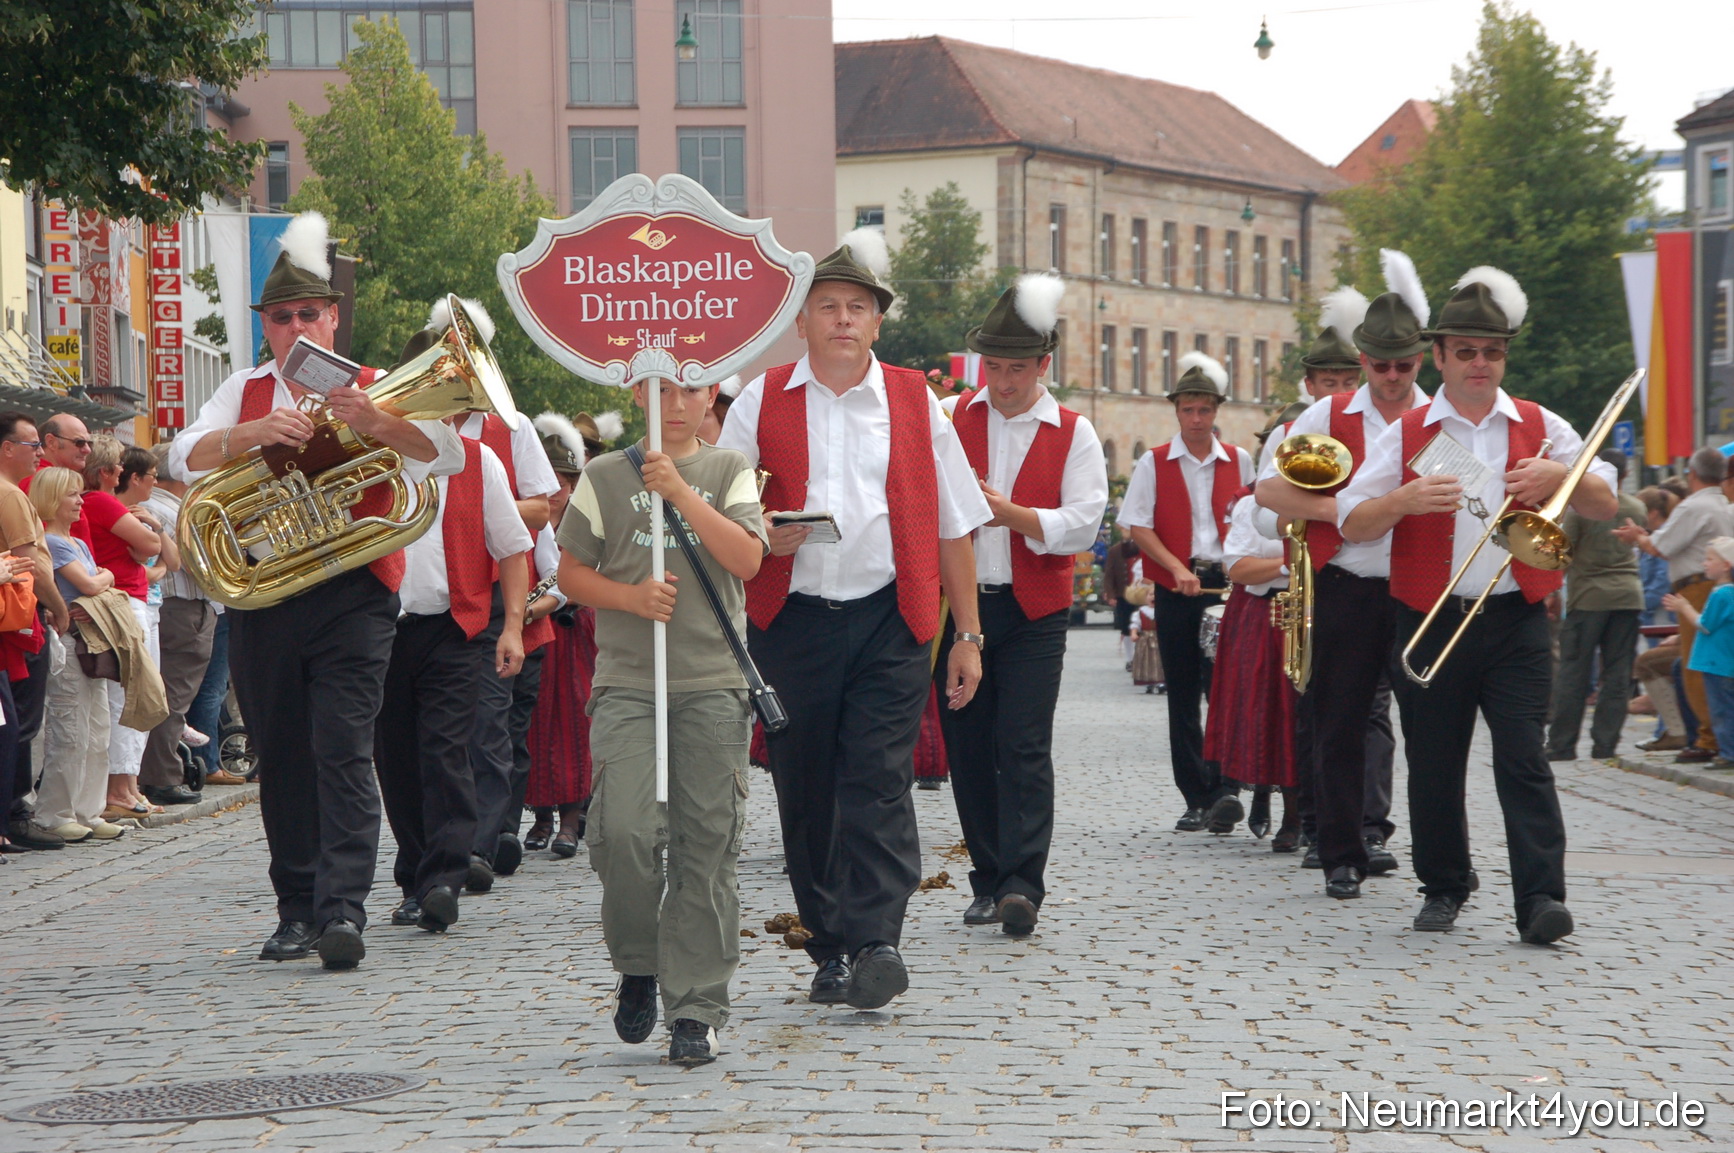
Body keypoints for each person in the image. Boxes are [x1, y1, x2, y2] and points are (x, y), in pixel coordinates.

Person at [168, 211, 466, 971]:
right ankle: (295, 909)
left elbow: (447, 456)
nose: (296, 324)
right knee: (285, 756)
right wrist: (249, 433)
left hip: (353, 594)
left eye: (309, 312)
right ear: (265, 325)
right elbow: (181, 454)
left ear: (333, 317)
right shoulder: (244, 388)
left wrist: (375, 420)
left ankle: (343, 909)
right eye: (281, 316)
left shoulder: (371, 384)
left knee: (341, 750)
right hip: (265, 593)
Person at [716, 231, 990, 1011]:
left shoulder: (915, 401)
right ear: (800, 323)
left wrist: (965, 634)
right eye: (827, 307)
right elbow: (725, 515)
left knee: (877, 777)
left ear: (877, 323)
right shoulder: (762, 400)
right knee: (806, 788)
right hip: (790, 618)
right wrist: (764, 532)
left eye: (857, 308)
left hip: (890, 617)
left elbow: (953, 523)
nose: (842, 319)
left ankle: (877, 940)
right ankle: (828, 946)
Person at [1339, 266, 1618, 943]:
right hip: (1431, 616)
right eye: (1465, 351)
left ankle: (1541, 898)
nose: (1479, 363)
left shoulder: (1540, 424)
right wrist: (1402, 500)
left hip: (1516, 612)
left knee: (1525, 756)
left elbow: (1606, 500)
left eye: (1491, 351)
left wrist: (1563, 476)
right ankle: (1443, 883)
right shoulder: (1406, 432)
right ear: (1438, 357)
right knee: (1435, 758)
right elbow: (1351, 520)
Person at [557, 373, 766, 1068]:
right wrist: (630, 596)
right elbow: (568, 574)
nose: (676, 405)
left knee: (708, 841)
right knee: (623, 830)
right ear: (642, 396)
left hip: (710, 683)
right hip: (628, 683)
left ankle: (696, 1007)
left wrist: (679, 491)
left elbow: (748, 557)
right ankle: (639, 960)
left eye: (691, 391)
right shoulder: (604, 475)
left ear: (712, 401)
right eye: (662, 391)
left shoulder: (730, 469)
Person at [934, 274, 1107, 936]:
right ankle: (986, 877)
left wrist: (1012, 515)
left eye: (1016, 369)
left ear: (1043, 365)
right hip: (962, 606)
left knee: (1025, 744)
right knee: (969, 745)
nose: (1003, 381)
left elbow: (1085, 522)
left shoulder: (1074, 431)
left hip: (1036, 609)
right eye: (994, 367)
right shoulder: (951, 418)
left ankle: (1022, 885)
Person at [1255, 251, 1430, 897]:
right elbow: (1268, 492)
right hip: (1347, 582)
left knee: (1429, 727)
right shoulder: (1328, 416)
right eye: (1379, 364)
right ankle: (1341, 853)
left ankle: (1408, 846)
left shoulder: (1437, 417)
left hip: (1421, 585)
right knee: (1339, 721)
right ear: (1363, 361)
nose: (1390, 376)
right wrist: (1345, 510)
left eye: (1403, 364)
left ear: (1421, 360)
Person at [374, 393, 530, 937]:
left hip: (455, 627)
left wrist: (512, 626)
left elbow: (512, 547)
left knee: (446, 751)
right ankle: (416, 875)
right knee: (395, 760)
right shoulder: (368, 454)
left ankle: (443, 878)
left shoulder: (477, 458)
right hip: (379, 630)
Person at [1117, 351, 1252, 834]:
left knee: (1226, 690)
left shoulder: (1240, 459)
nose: (1196, 419)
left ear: (1216, 412)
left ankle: (1226, 789)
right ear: (1177, 411)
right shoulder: (1155, 462)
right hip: (1178, 587)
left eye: (1205, 410)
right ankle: (1197, 796)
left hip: (1227, 588)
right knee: (1182, 692)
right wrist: (1175, 569)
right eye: (1188, 410)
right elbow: (1138, 524)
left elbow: (1252, 521)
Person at [1612, 446, 1734, 764]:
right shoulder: (1725, 504)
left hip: (1697, 588)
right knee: (1716, 662)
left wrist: (1638, 539)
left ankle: (1709, 738)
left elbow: (1661, 547)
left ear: (1692, 474)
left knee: (1699, 663)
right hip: (1721, 586)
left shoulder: (1694, 506)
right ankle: (1714, 736)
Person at [30, 467, 124, 843]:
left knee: (98, 728)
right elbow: (91, 582)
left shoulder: (77, 544)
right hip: (70, 642)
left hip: (93, 643)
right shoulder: (53, 543)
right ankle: (55, 812)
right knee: (70, 727)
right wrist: (104, 579)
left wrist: (103, 579)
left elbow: (102, 578)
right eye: (72, 495)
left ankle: (89, 807)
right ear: (53, 498)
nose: (80, 501)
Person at [1203, 490, 1296, 840]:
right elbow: (1239, 567)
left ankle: (1299, 813)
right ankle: (1242, 789)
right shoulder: (1250, 506)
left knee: (1299, 711)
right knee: (1259, 707)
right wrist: (1289, 565)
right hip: (1263, 610)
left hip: (1315, 610)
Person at [81, 437, 166, 817]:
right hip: (125, 600)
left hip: (131, 597)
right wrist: (152, 528)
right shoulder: (101, 501)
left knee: (135, 694)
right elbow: (149, 545)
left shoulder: (103, 502)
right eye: (117, 466)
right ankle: (119, 788)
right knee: (128, 697)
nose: (121, 472)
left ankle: (126, 786)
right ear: (108, 471)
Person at [0, 412, 71, 853]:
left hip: (16, 614)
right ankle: (15, 811)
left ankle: (12, 812)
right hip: (18, 616)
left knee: (17, 719)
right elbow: (31, 561)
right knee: (20, 721)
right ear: (7, 447)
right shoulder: (8, 494)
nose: (39, 454)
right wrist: (58, 606)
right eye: (32, 445)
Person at [1545, 449, 1645, 761]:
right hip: (1629, 595)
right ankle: (1606, 745)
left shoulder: (1580, 510)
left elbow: (1561, 553)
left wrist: (1551, 591)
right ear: (1625, 475)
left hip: (1588, 597)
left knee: (1574, 671)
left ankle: (1562, 744)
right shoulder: (1636, 506)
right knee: (1617, 674)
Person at [525, 415, 592, 858]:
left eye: (561, 485)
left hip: (576, 631)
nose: (553, 495)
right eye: (546, 485)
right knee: (533, 721)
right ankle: (541, 815)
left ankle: (571, 817)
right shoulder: (525, 520)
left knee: (575, 720)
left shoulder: (586, 521)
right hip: (532, 630)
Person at [138, 442, 222, 798]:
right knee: (173, 696)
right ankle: (162, 776)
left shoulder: (154, 506)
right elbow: (203, 562)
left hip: (170, 607)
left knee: (165, 694)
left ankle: (155, 772)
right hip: (182, 608)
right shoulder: (176, 511)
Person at [1663, 537, 1734, 767]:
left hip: (1716, 661)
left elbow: (1705, 624)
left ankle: (1728, 753)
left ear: (1726, 565)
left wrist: (1684, 608)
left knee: (1721, 710)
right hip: (1724, 660)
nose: (1704, 563)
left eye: (1710, 559)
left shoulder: (1721, 594)